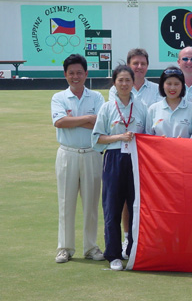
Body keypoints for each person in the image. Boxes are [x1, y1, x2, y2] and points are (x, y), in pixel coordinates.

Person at [51, 54, 105, 264]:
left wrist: (72, 120)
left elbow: (100, 125)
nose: (75, 77)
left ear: (86, 74)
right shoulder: (58, 97)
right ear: (65, 74)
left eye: (79, 73)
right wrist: (88, 119)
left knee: (91, 204)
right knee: (66, 202)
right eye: (71, 73)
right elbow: (60, 122)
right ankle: (65, 248)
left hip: (92, 154)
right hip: (68, 154)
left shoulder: (97, 97)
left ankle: (91, 247)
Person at [92, 65, 147, 271]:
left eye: (128, 80)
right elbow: (97, 139)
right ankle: (113, 254)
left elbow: (148, 135)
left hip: (136, 159)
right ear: (114, 82)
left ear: (134, 82)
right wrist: (119, 137)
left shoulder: (141, 106)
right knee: (112, 208)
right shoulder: (107, 107)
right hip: (114, 158)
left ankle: (132, 250)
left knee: (136, 207)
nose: (124, 84)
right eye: (120, 80)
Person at [108, 48, 159, 259]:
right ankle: (127, 238)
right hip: (120, 153)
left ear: (147, 66)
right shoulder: (117, 88)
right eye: (135, 63)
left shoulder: (156, 89)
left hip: (146, 153)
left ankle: (144, 240)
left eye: (142, 63)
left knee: (144, 199)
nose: (139, 67)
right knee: (124, 202)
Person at [146, 66, 192, 138]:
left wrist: (185, 143)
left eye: (176, 84)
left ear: (182, 86)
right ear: (162, 85)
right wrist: (158, 142)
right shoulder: (153, 109)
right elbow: (147, 137)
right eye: (169, 84)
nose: (172, 88)